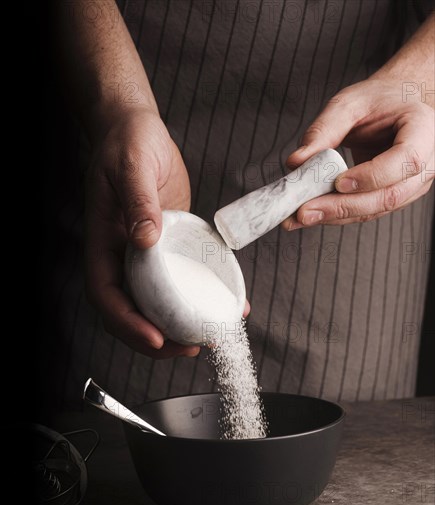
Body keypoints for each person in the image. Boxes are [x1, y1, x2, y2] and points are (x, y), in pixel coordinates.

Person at [49, 0, 434, 408]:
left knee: (349, 443)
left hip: (362, 146)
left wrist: (417, 80)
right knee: (111, 445)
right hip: (130, 152)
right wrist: (120, 108)